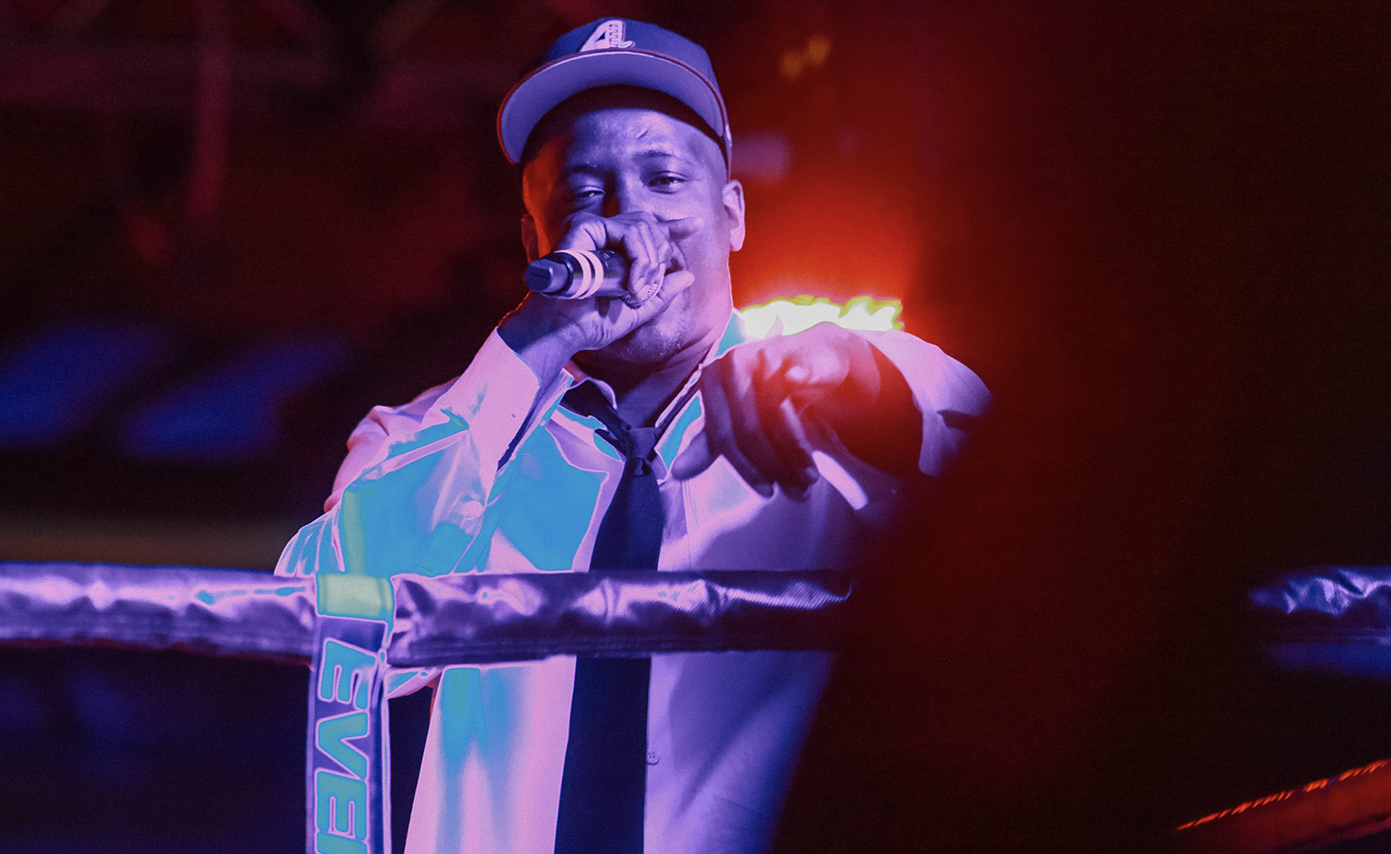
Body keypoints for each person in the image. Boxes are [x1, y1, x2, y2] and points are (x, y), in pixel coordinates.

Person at [275, 18, 990, 854]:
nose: (628, 219)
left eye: (664, 179)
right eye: (585, 193)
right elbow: (325, 636)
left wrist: (861, 390)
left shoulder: (838, 385)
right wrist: (532, 343)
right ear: (534, 238)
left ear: (732, 214)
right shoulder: (434, 431)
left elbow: (1023, 513)